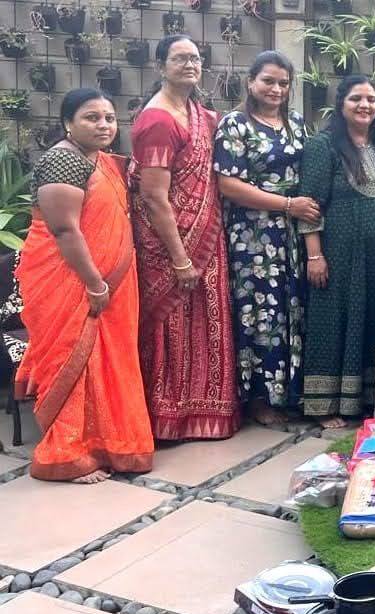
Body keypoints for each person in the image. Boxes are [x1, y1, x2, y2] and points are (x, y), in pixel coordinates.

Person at [14, 88, 154, 482]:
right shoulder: (63, 161)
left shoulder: (101, 160)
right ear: (68, 123)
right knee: (76, 361)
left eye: (109, 118)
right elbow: (64, 230)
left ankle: (102, 444)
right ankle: (67, 452)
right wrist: (94, 284)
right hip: (74, 281)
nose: (104, 125)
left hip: (111, 284)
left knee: (105, 363)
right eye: (91, 117)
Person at [131, 34, 240, 440]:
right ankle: (166, 417)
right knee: (171, 324)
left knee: (206, 320)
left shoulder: (201, 115)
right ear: (161, 65)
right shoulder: (157, 120)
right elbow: (154, 197)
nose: (190, 64)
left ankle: (203, 414)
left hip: (205, 235)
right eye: (180, 58)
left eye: (195, 58)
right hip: (169, 244)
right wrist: (180, 258)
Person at [214, 51, 320, 426]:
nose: (276, 89)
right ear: (251, 82)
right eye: (268, 81)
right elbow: (228, 184)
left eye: (283, 83)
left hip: (292, 234)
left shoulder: (295, 123)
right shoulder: (235, 124)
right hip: (254, 236)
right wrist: (287, 204)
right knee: (259, 312)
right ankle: (258, 398)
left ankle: (288, 393)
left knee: (291, 308)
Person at [298, 76, 375, 428]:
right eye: (356, 98)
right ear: (341, 103)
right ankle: (324, 403)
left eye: (371, 99)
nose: (364, 105)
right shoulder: (323, 146)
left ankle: (370, 399)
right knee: (335, 317)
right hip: (341, 253)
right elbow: (311, 205)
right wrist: (315, 255)